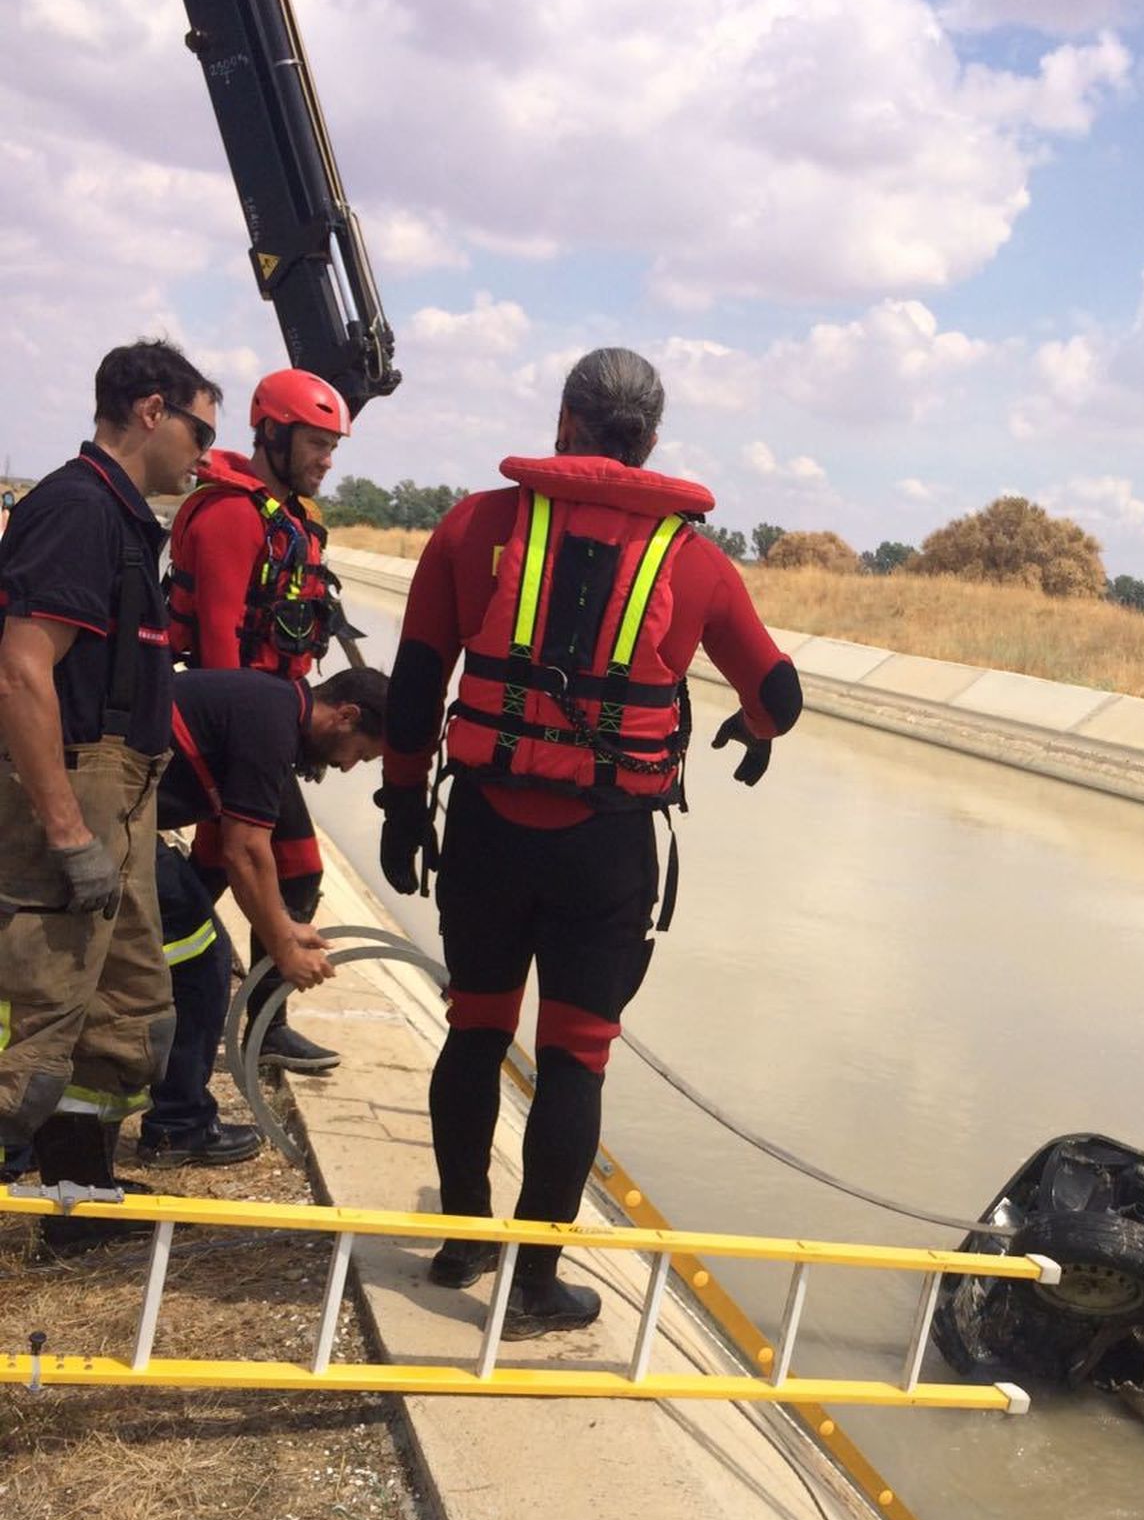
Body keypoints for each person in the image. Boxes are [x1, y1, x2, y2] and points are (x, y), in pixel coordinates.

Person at [378, 346, 802, 1338]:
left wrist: (402, 806)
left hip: (485, 826)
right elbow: (775, 691)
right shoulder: (692, 560)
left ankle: (461, 1242)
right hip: (605, 849)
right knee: (575, 1060)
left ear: (564, 421)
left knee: (475, 1032)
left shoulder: (475, 525)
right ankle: (534, 1282)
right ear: (650, 442)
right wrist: (756, 734)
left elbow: (412, 683)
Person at [0, 338, 221, 1252]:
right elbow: (21, 671)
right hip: (78, 794)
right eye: (201, 430)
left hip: (121, 797)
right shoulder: (79, 510)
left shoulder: (125, 520)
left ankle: (76, 1198)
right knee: (39, 1019)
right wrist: (66, 830)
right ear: (151, 411)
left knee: (127, 1015)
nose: (206, 453)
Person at [165, 367, 353, 1076]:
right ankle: (231, 1020)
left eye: (333, 446)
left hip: (270, 726)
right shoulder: (231, 516)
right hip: (235, 734)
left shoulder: (290, 519)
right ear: (272, 433)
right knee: (280, 868)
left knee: (229, 872)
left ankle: (220, 1012)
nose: (326, 460)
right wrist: (248, 743)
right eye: (316, 443)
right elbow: (217, 644)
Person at [140, 664, 390, 1167]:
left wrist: (283, 921)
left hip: (113, 814)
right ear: (346, 715)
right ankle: (177, 1127)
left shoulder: (270, 705)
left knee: (184, 947)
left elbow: (250, 853)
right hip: (103, 819)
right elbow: (245, 851)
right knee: (200, 961)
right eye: (359, 754)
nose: (346, 767)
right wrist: (283, 950)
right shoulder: (272, 724)